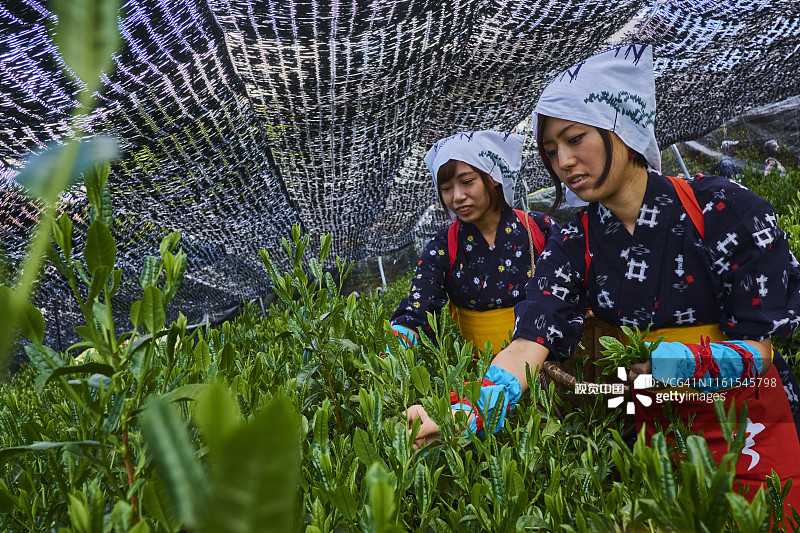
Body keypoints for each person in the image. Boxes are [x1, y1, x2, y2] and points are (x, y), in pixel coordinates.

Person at [406, 44, 800, 515]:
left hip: (748, 422)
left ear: (623, 127)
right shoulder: (574, 240)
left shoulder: (720, 208)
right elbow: (529, 342)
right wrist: (467, 418)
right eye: (552, 151)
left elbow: (762, 348)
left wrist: (673, 365)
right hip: (657, 426)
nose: (563, 162)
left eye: (575, 140)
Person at [389, 130, 560, 356]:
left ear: (493, 177)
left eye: (467, 182)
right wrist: (404, 334)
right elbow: (422, 301)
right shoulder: (443, 245)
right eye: (446, 188)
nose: (457, 196)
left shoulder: (540, 229)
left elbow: (572, 289)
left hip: (546, 360)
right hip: (479, 368)